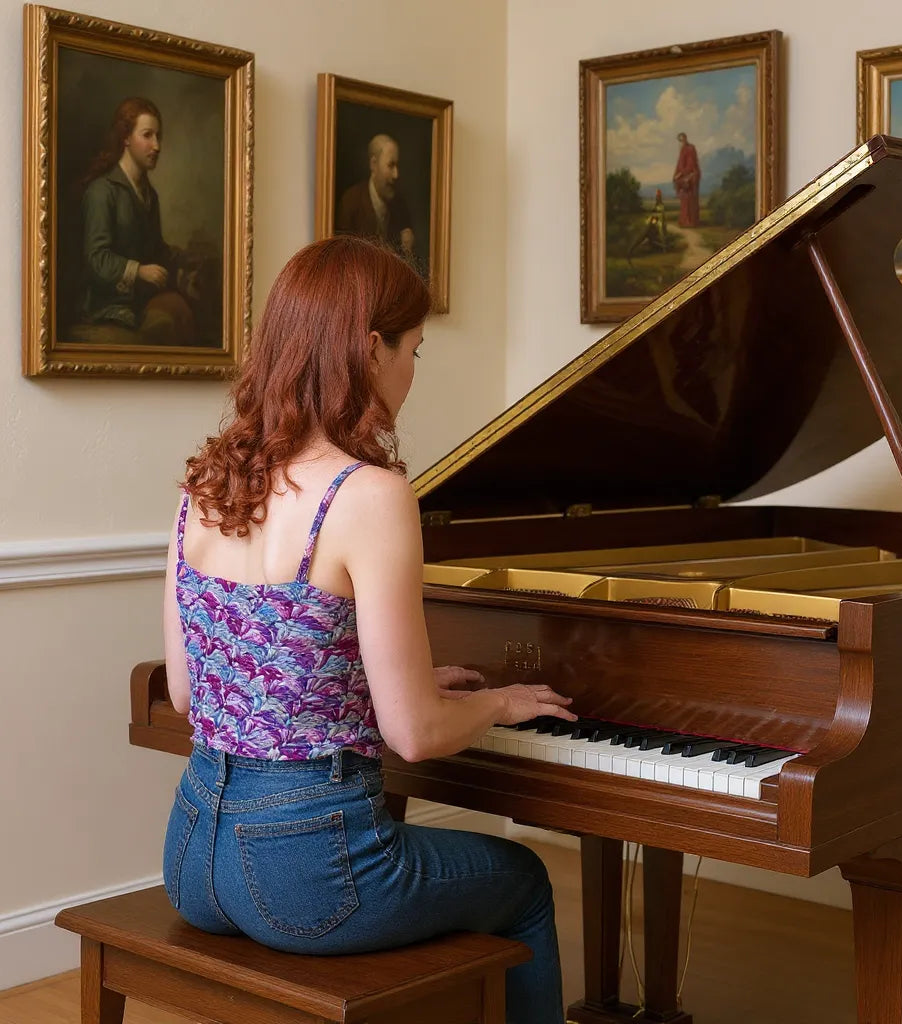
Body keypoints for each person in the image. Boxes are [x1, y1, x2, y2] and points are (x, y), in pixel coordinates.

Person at [161, 235, 575, 1024]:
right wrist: (499, 703)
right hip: (305, 879)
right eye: (414, 350)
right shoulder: (369, 494)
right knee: (524, 881)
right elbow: (414, 736)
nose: (412, 372)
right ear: (371, 348)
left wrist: (367, 685)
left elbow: (189, 693)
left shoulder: (205, 484)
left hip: (192, 856)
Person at [78, 97, 198, 343]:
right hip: (108, 307)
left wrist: (185, 262)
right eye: (147, 135)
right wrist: (139, 271)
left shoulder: (149, 195)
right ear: (126, 138)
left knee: (183, 311)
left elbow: (155, 250)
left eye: (158, 136)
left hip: (140, 302)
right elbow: (96, 258)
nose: (157, 146)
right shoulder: (102, 191)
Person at [335, 133, 415, 259]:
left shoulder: (400, 207)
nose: (396, 175)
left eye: (397, 166)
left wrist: (407, 251)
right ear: (373, 164)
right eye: (390, 165)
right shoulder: (351, 202)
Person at [628, 187, 669, 261]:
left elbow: (661, 214)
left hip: (660, 221)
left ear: (660, 198)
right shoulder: (655, 205)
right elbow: (653, 212)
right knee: (647, 223)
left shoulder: (662, 206)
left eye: (658, 197)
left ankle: (664, 247)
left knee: (661, 230)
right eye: (657, 197)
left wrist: (656, 216)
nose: (657, 198)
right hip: (655, 220)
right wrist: (652, 215)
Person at [672, 132, 701, 229]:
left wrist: (685, 175)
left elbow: (691, 165)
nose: (681, 142)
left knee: (691, 200)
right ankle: (684, 221)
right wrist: (677, 176)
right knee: (684, 201)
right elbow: (680, 166)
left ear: (685, 138)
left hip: (691, 177)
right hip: (684, 177)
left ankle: (692, 222)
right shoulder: (682, 150)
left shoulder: (690, 148)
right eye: (680, 140)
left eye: (682, 139)